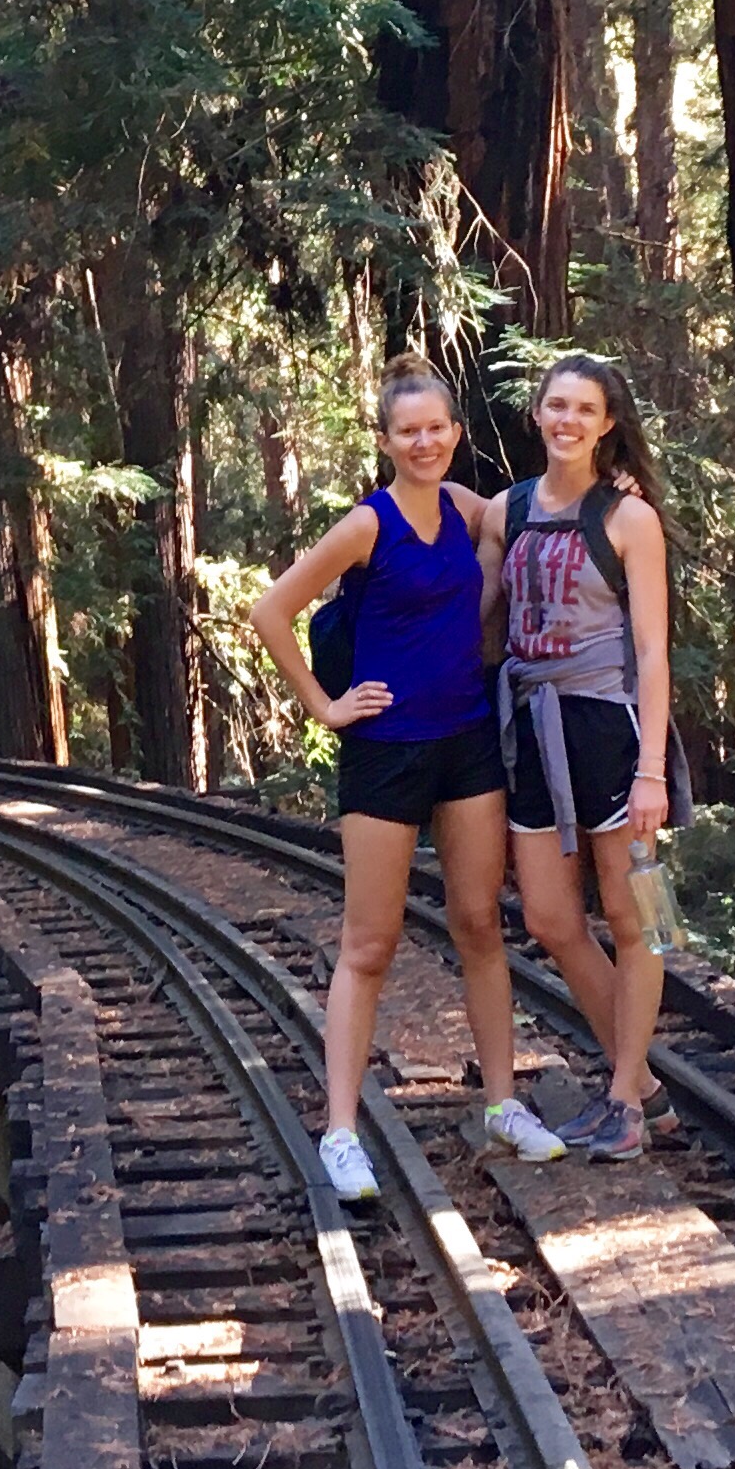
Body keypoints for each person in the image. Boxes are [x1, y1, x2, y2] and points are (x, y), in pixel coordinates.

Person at [247, 357, 563, 1204]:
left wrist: (618, 491)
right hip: (385, 749)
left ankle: (502, 1104)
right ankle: (341, 1133)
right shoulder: (367, 525)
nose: (424, 442)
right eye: (407, 431)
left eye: (436, 428)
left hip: (467, 742)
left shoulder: (464, 508)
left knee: (479, 925)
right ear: (385, 441)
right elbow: (270, 610)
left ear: (455, 434)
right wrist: (325, 707)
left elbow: (545, 509)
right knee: (369, 943)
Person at [483, 352, 684, 1161]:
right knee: (549, 918)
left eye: (585, 409)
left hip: (610, 732)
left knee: (639, 921)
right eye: (556, 406)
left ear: (607, 425)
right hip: (533, 733)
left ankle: (624, 1103)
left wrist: (652, 771)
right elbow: (481, 607)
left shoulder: (629, 518)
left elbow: (654, 651)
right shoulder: (506, 510)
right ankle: (644, 1089)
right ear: (537, 413)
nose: (567, 420)